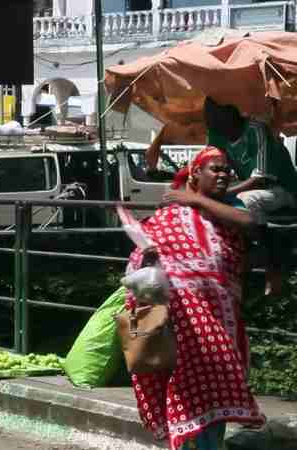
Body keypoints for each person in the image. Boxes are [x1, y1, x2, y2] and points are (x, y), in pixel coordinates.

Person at [125, 147, 264, 450]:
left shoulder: (230, 207)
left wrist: (196, 199)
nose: (224, 174)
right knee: (187, 391)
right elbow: (139, 261)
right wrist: (148, 263)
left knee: (218, 389)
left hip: (223, 323)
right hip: (182, 324)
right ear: (195, 173)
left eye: (227, 170)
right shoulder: (170, 213)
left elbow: (250, 224)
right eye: (215, 169)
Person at [204, 97, 297, 294]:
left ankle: (270, 260)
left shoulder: (256, 130)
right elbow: (208, 164)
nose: (209, 121)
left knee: (247, 200)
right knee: (216, 206)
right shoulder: (217, 134)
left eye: (213, 116)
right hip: (251, 189)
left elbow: (261, 178)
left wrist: (223, 193)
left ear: (229, 113)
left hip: (282, 188)